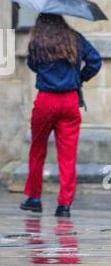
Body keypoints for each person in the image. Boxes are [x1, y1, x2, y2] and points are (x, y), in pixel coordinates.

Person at [20, 13, 102, 218]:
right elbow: (95, 61)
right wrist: (78, 78)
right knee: (68, 156)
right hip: (70, 101)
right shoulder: (75, 38)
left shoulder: (37, 41)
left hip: (46, 100)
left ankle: (35, 199)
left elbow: (31, 65)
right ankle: (64, 205)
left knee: (37, 150)